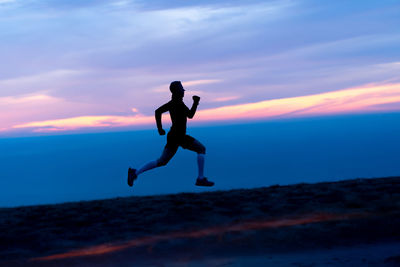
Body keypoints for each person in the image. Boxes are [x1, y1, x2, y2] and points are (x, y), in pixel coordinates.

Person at [128, 81, 214, 187]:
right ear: (177, 91)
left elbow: (160, 112)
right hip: (179, 136)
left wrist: (160, 129)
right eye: (182, 89)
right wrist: (195, 102)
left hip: (174, 136)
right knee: (201, 149)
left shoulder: (177, 103)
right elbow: (188, 115)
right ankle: (200, 179)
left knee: (162, 161)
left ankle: (135, 172)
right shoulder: (176, 103)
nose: (183, 91)